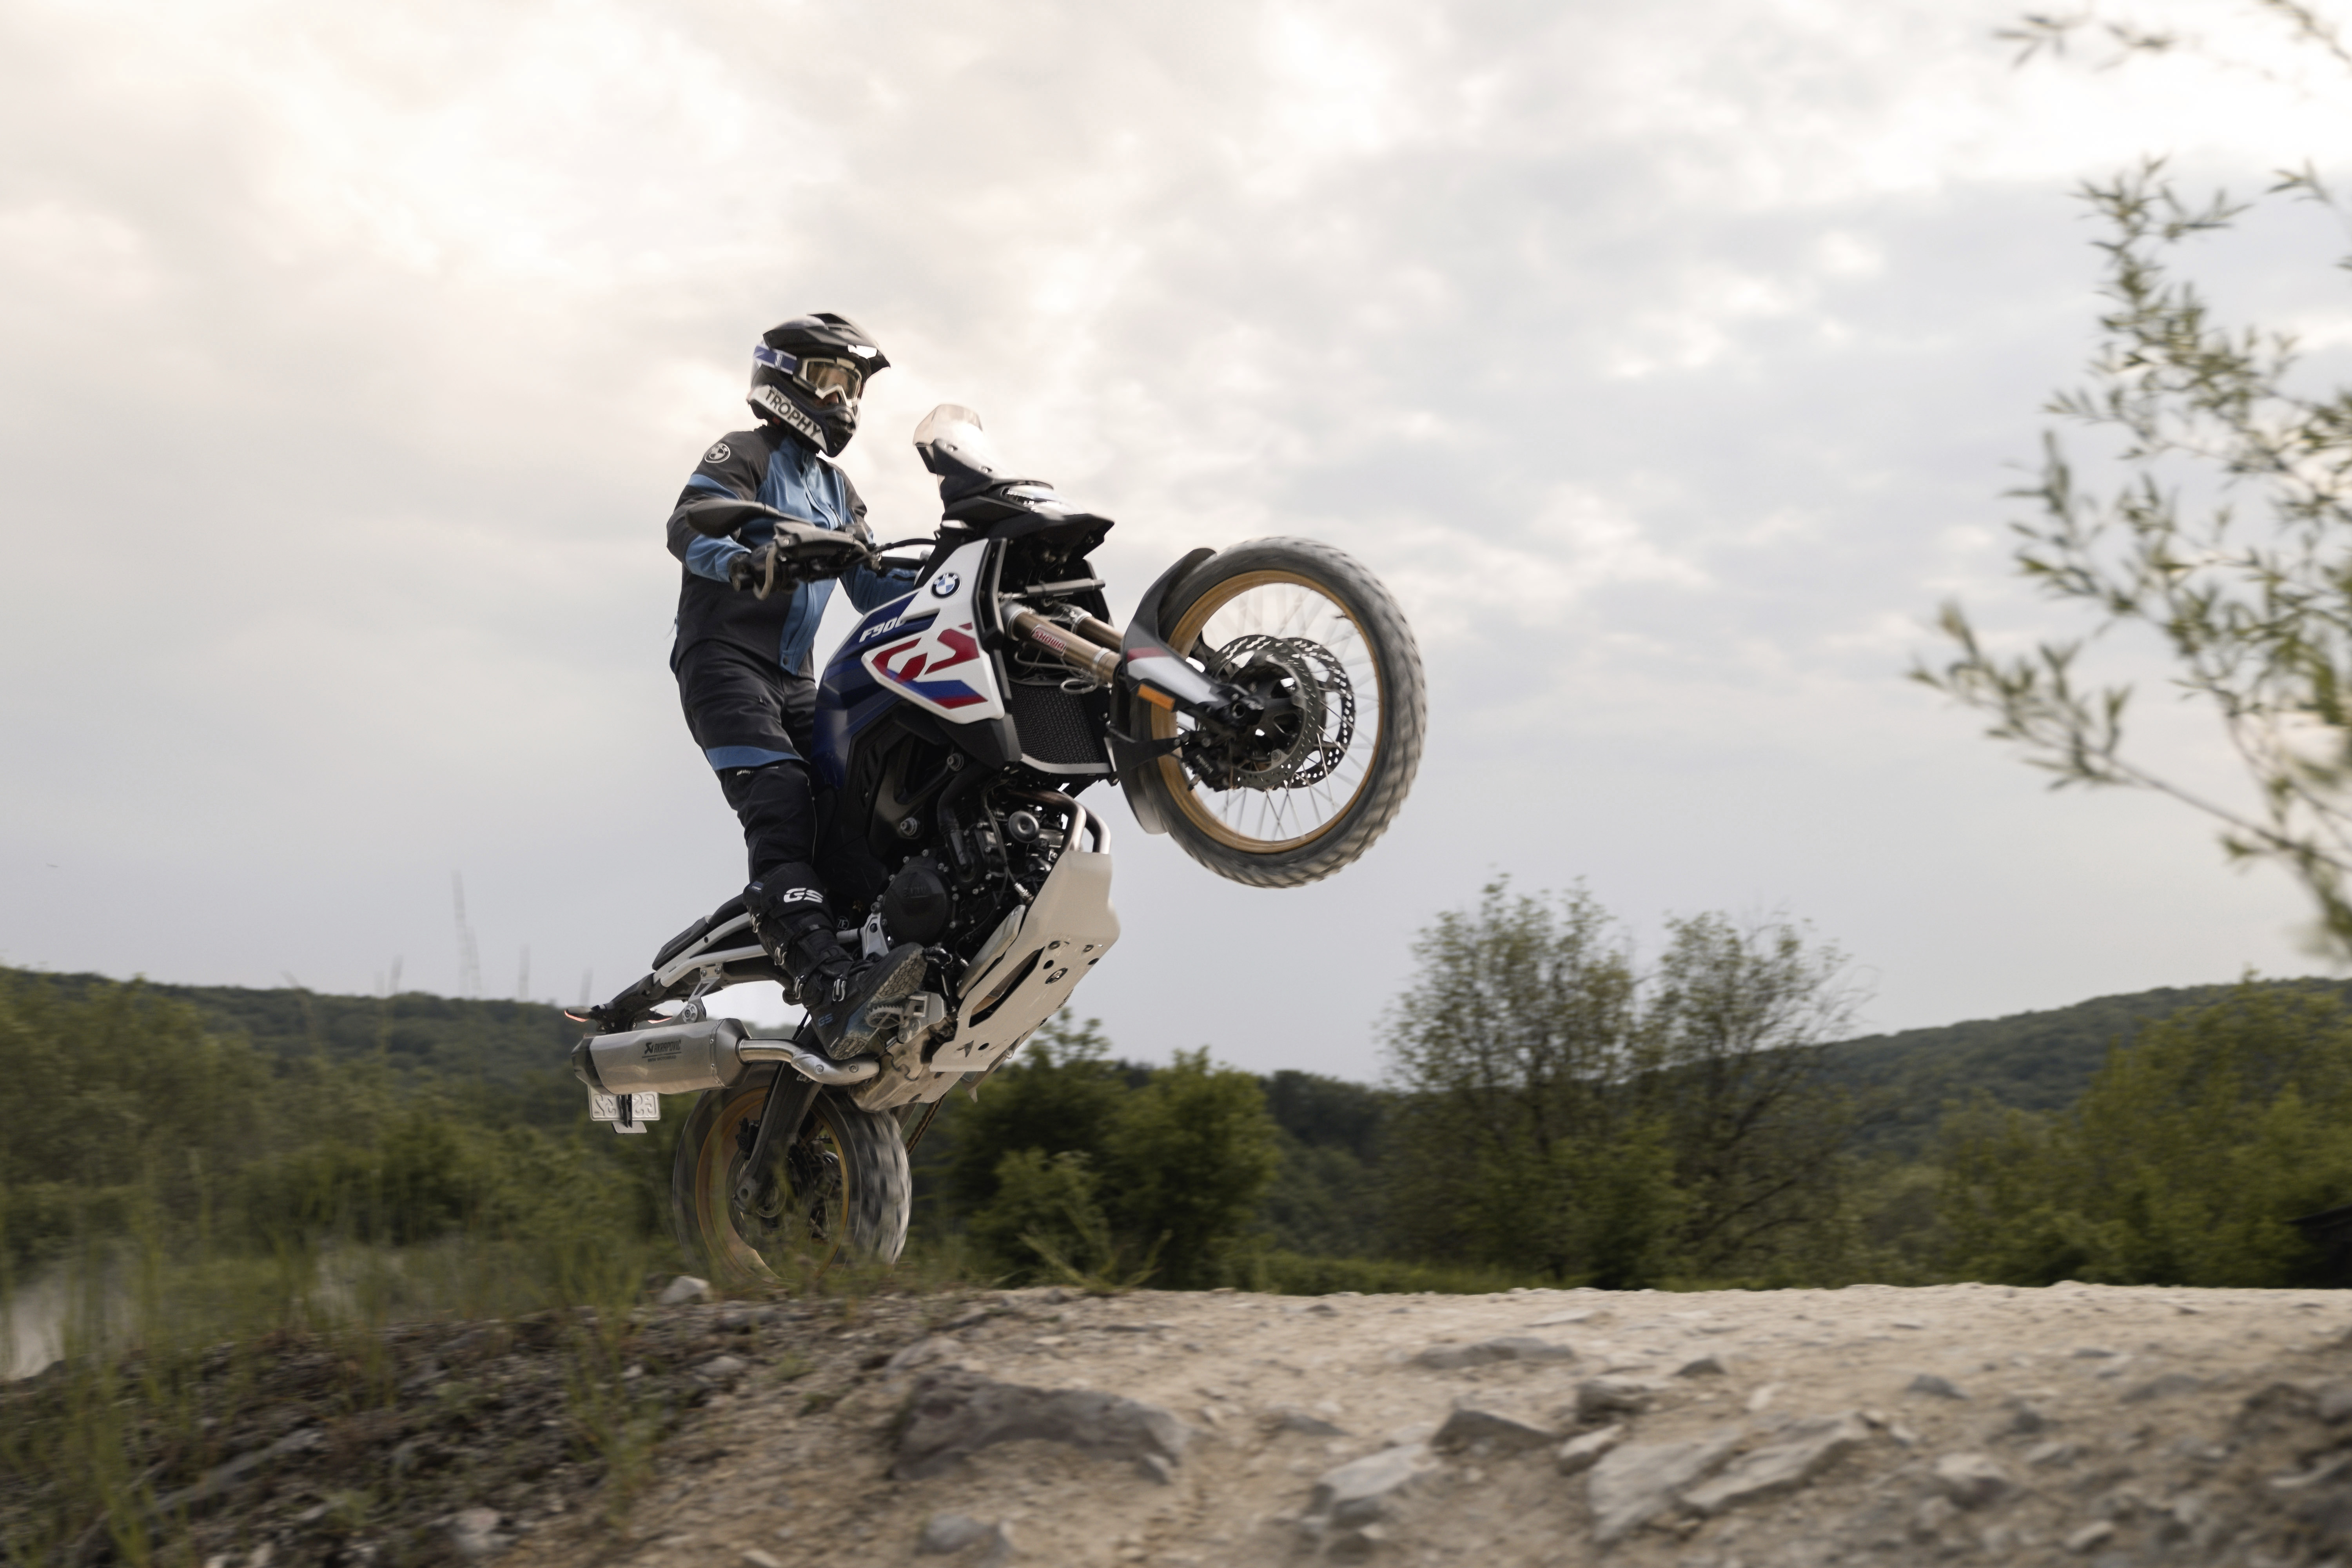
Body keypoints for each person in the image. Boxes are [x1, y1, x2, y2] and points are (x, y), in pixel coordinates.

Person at [664, 312, 924, 1058]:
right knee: (780, 800)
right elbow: (688, 525)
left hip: (796, 679)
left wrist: (953, 570)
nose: (843, 400)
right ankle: (825, 987)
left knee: (858, 788)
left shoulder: (838, 488)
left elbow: (871, 585)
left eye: (853, 388)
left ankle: (864, 948)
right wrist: (740, 560)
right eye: (829, 380)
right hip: (724, 664)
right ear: (783, 377)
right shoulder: (744, 452)